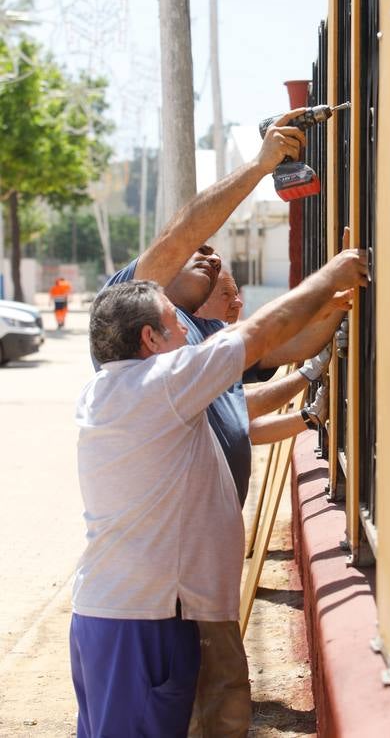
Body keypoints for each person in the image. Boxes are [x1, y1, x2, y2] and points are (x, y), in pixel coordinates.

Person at [96, 111, 351, 735]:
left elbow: (285, 345)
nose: (208, 256)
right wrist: (261, 168)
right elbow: (188, 238)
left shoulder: (191, 336)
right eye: (196, 254)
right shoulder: (138, 324)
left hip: (196, 588)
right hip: (157, 601)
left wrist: (340, 311)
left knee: (218, 711)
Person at [72, 250, 368, 738]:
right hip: (144, 618)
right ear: (149, 339)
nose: (187, 333)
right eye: (175, 324)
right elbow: (257, 336)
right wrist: (329, 276)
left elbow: (242, 394)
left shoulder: (124, 388)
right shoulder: (159, 384)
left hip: (135, 612)